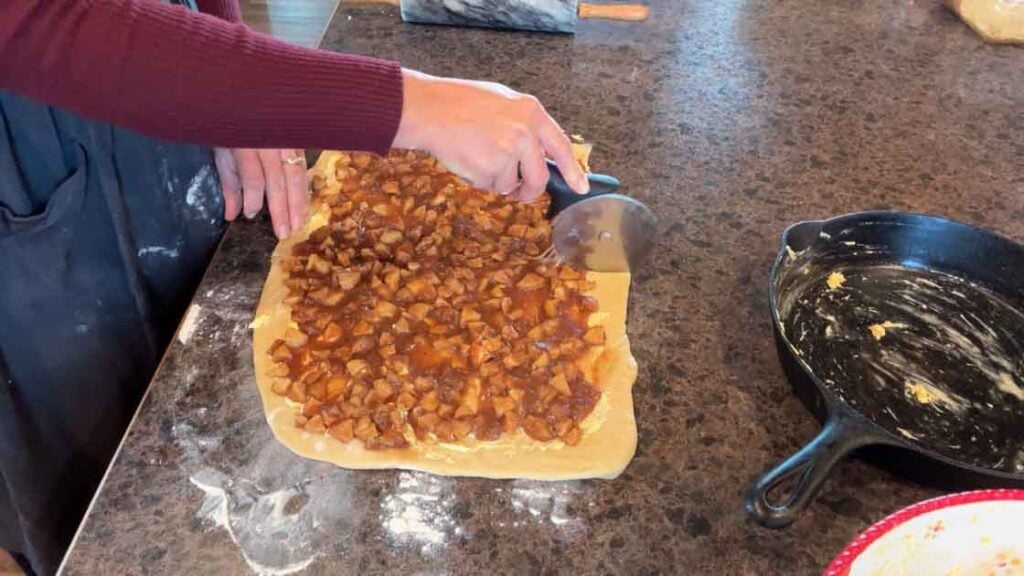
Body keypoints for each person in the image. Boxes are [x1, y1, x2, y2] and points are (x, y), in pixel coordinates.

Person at [0, 1, 589, 574]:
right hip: (32, 146)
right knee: (95, 463)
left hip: (165, 62)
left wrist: (228, 76)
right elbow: (35, 20)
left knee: (184, 359)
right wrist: (412, 104)